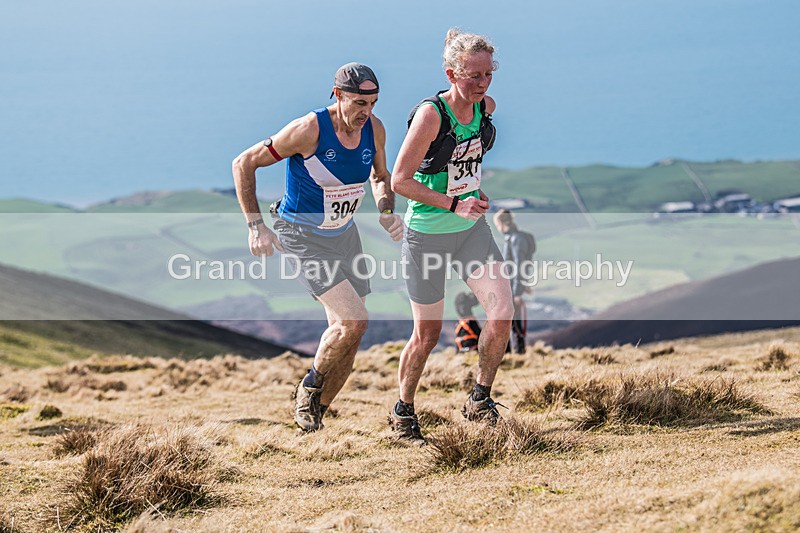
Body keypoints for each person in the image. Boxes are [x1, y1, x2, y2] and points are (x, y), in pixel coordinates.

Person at [232, 63, 404, 432]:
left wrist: (387, 210)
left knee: (349, 340)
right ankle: (308, 389)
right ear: (338, 94)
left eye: (372, 103)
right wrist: (255, 226)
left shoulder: (374, 129)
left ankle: (313, 421)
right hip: (302, 236)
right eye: (359, 102)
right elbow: (243, 163)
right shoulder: (308, 130)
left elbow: (379, 177)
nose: (366, 112)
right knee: (353, 320)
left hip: (343, 235)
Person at [389, 29, 513, 442]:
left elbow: (465, 163)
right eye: (473, 76)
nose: (482, 84)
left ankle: (480, 398)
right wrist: (453, 203)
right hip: (427, 235)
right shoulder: (431, 115)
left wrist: (472, 192)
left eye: (488, 74)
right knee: (427, 335)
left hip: (471, 232)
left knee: (501, 313)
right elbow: (401, 181)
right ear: (450, 73)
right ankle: (403, 410)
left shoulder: (485, 107)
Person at [493, 209, 535, 354]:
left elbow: (519, 265)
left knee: (510, 322)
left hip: (512, 288)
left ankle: (514, 353)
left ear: (501, 223)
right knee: (511, 322)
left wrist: (517, 292)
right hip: (511, 287)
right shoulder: (513, 238)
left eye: (497, 224)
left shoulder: (516, 239)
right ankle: (514, 353)